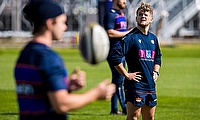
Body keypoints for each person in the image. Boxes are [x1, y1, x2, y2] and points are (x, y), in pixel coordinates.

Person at [14, 0, 115, 120]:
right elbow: (61, 104)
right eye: (63, 22)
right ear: (50, 23)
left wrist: (66, 87)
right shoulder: (49, 58)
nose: (65, 27)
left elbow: (38, 94)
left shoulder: (24, 54)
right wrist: (95, 94)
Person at [108, 2, 162, 120]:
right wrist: (126, 74)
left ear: (151, 19)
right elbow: (114, 57)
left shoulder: (153, 38)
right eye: (140, 14)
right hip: (135, 86)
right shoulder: (130, 38)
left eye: (146, 15)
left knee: (150, 117)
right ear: (136, 17)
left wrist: (156, 71)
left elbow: (158, 57)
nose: (143, 16)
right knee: (133, 117)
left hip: (150, 85)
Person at [103, 0, 132, 115]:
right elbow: (109, 33)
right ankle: (125, 109)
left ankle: (114, 109)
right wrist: (128, 33)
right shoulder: (110, 14)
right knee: (120, 80)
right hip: (113, 51)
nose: (124, 1)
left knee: (116, 80)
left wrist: (126, 31)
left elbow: (120, 31)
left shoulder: (121, 14)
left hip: (121, 51)